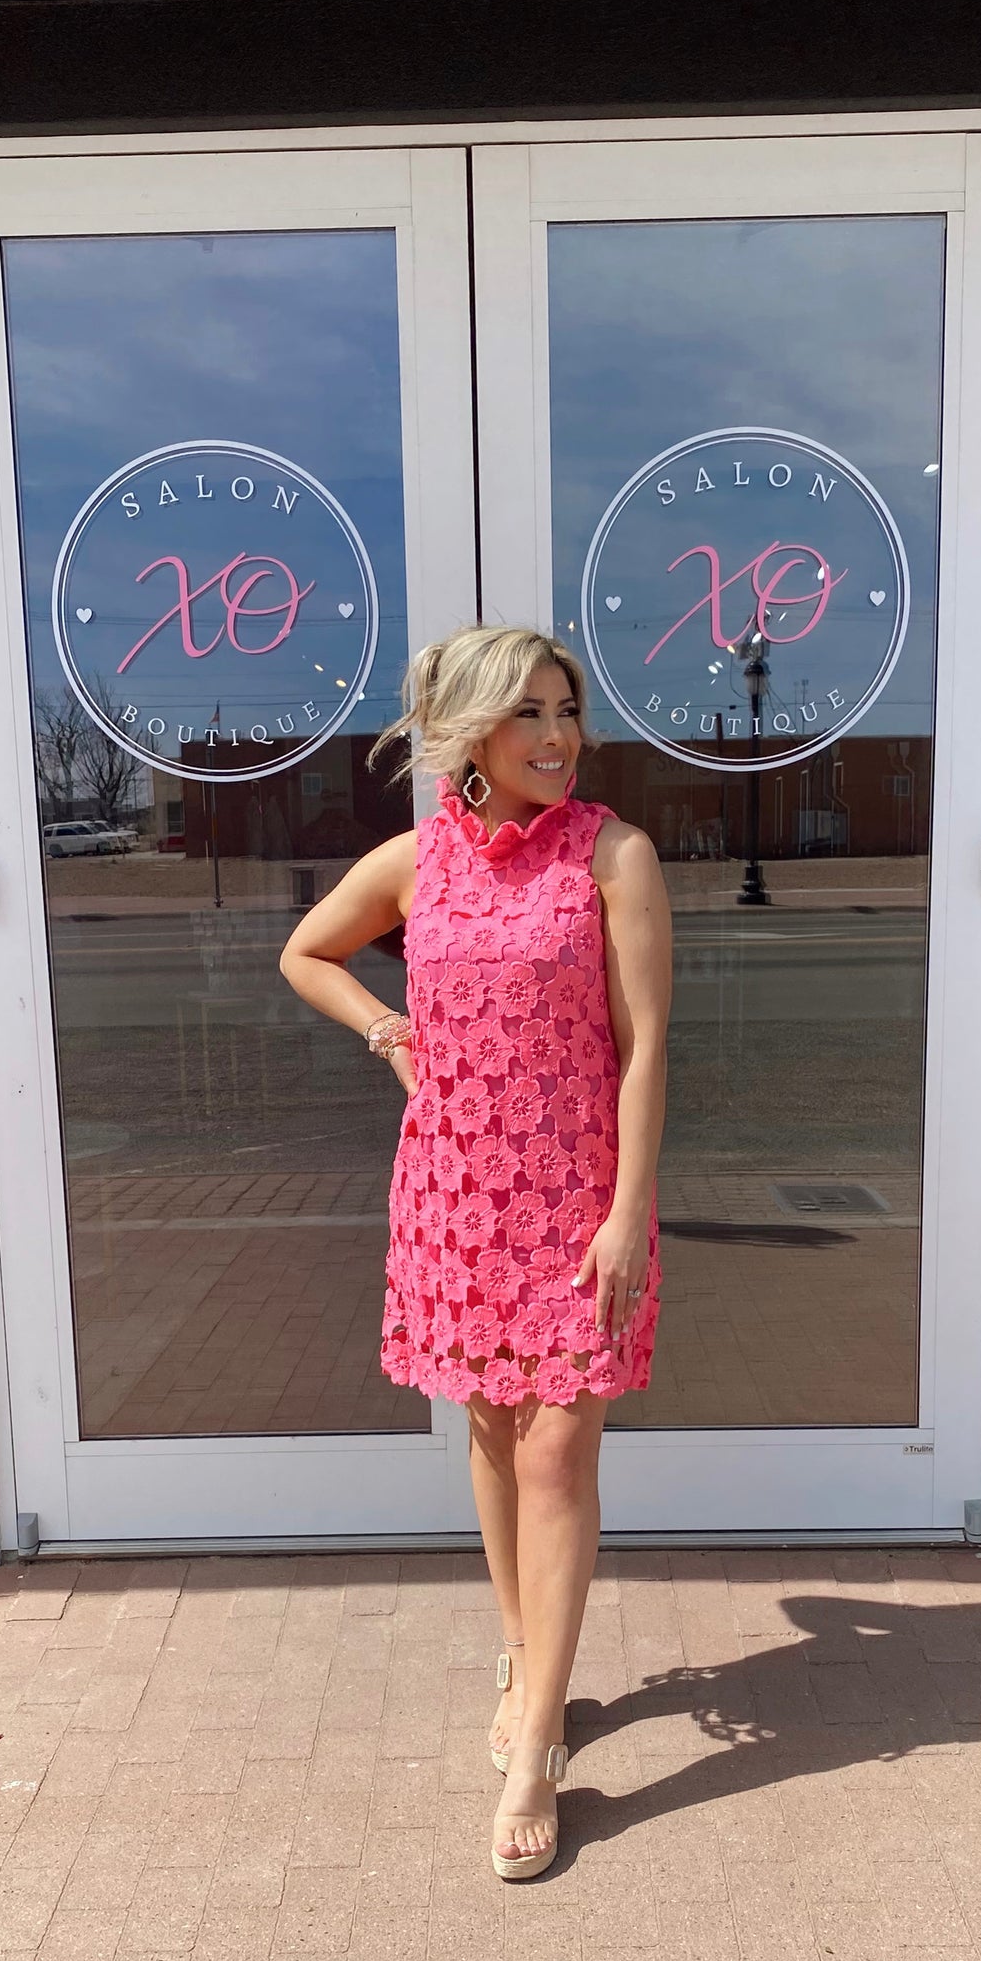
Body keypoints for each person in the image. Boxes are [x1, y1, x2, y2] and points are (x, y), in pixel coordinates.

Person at [280, 624, 672, 1880]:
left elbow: (645, 1047)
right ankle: (520, 1647)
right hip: (454, 1191)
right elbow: (305, 952)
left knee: (557, 1448)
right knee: (494, 1429)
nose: (557, 736)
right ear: (469, 731)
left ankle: (538, 1738)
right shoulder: (415, 860)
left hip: (576, 1196)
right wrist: (388, 1031)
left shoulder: (612, 855)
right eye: (528, 714)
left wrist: (627, 1208)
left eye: (565, 710)